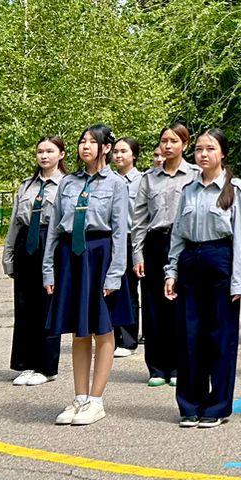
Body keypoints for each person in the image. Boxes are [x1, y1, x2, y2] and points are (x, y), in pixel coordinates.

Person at [43, 125, 133, 427]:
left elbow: (121, 232)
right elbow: (55, 229)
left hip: (100, 254)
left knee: (102, 328)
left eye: (92, 142)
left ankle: (96, 400)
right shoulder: (68, 183)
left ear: (105, 148)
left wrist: (115, 274)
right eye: (82, 142)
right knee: (78, 331)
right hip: (72, 257)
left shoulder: (116, 184)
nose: (85, 147)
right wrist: (48, 269)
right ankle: (79, 397)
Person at [164, 129, 241, 428]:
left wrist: (238, 280)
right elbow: (178, 233)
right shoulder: (189, 189)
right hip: (191, 260)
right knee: (190, 336)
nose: (203, 154)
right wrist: (171, 270)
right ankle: (190, 404)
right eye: (199, 149)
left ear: (222, 153)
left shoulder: (235, 189)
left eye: (210, 149)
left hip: (220, 262)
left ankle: (217, 406)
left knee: (220, 337)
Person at [131, 125, 197, 388]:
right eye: (163, 141)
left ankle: (181, 365)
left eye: (174, 141)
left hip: (186, 242)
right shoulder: (149, 178)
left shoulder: (194, 174)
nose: (168, 146)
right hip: (155, 243)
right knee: (154, 306)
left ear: (185, 144)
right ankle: (158, 367)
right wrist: (137, 253)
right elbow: (139, 219)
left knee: (182, 305)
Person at [2, 136, 66, 388]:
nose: (44, 156)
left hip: (49, 242)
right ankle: (25, 363)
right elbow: (14, 223)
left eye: (50, 151)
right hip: (25, 245)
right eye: (40, 151)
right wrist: (9, 256)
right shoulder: (26, 185)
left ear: (61, 154)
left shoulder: (66, 185)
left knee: (46, 306)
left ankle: (46, 366)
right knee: (25, 306)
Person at [108, 137, 144, 356]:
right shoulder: (109, 180)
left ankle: (129, 340)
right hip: (112, 239)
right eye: (116, 152)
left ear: (134, 155)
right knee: (112, 289)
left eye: (124, 151)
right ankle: (111, 337)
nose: (118, 156)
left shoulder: (142, 180)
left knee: (130, 290)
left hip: (132, 238)